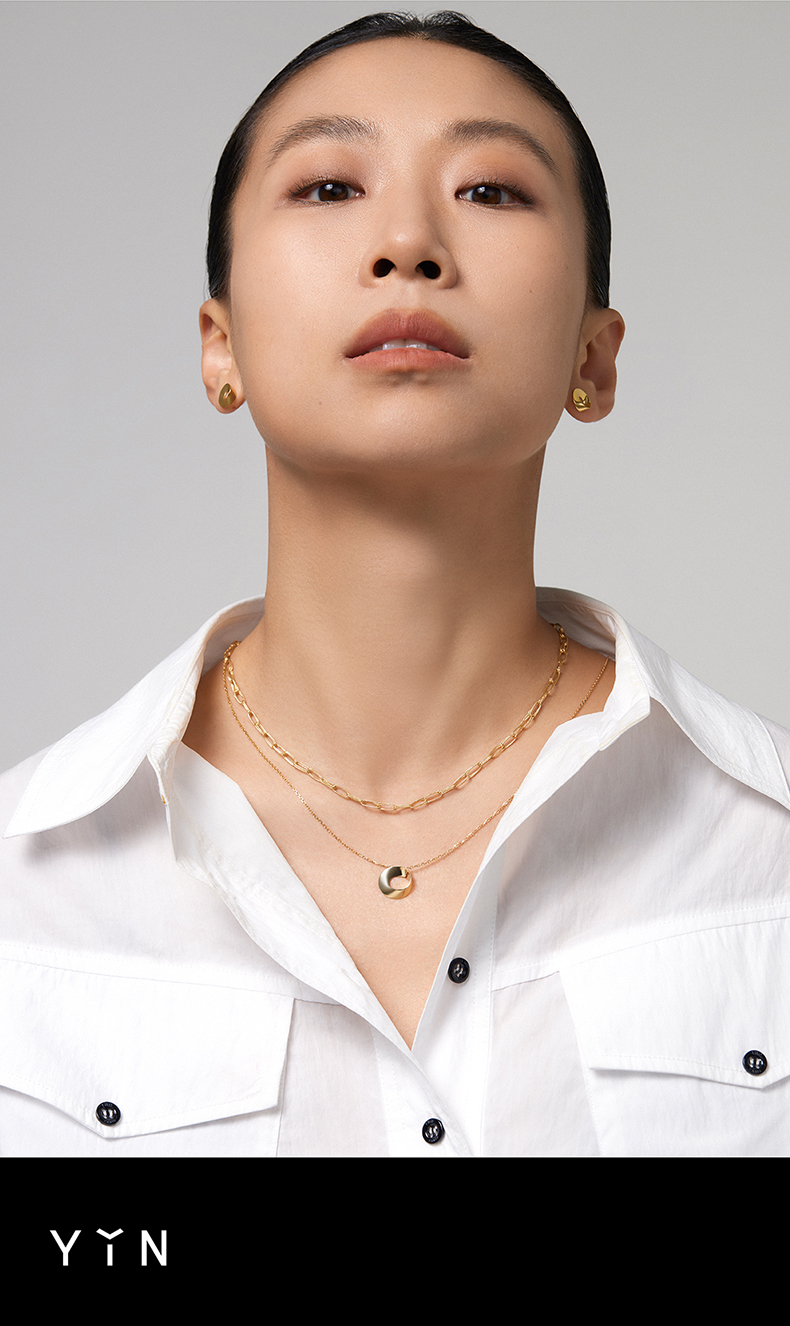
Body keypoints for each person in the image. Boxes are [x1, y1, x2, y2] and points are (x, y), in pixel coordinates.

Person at [2, 9, 789, 1158]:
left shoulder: (765, 850)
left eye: (491, 191)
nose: (408, 242)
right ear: (220, 345)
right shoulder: (26, 888)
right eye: (328, 187)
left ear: (593, 356)